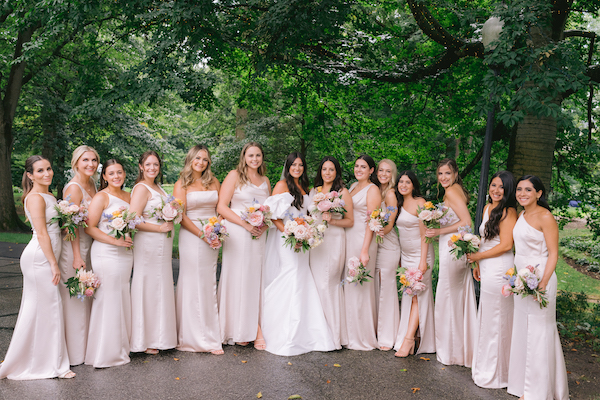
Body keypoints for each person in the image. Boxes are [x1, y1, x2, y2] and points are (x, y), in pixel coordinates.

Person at [0, 156, 74, 380]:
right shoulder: (34, 198)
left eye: (49, 169)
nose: (47, 174)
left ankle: (46, 359)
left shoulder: (50, 195)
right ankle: (53, 365)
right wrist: (53, 263)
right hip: (40, 258)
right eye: (40, 171)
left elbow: (51, 229)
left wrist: (66, 228)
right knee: (49, 305)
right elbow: (41, 233)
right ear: (30, 175)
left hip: (49, 253)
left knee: (45, 308)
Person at [261, 153, 336, 355]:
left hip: (303, 240)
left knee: (302, 278)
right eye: (293, 164)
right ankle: (283, 331)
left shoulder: (306, 187)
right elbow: (271, 215)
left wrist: (307, 231)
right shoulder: (281, 185)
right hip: (286, 239)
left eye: (301, 165)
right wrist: (289, 231)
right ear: (287, 166)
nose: (297, 168)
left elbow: (308, 215)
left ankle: (306, 331)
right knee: (291, 274)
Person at [507, 175, 568, 400]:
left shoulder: (545, 216)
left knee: (540, 332)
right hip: (521, 278)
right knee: (523, 329)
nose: (522, 193)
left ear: (539, 194)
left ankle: (538, 390)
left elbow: (554, 253)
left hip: (540, 277)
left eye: (528, 190)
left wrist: (542, 282)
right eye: (520, 190)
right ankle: (523, 384)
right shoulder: (521, 215)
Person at [217, 142, 271, 349]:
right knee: (239, 278)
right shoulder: (234, 176)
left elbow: (270, 209)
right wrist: (245, 224)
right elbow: (222, 206)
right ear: (244, 157)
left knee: (254, 279)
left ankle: (252, 327)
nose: (254, 159)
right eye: (251, 155)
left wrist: (263, 225)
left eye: (258, 155)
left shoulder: (265, 180)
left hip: (259, 234)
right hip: (238, 232)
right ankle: (242, 329)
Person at [467, 171, 517, 388]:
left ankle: (498, 373)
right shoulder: (488, 208)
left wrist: (478, 256)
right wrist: (477, 263)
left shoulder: (509, 211)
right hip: (486, 265)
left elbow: (506, 245)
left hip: (500, 267)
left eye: (501, 187)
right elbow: (485, 240)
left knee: (498, 319)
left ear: (508, 191)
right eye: (493, 185)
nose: (496, 190)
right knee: (487, 316)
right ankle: (484, 365)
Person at [425, 158, 477, 367]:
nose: (444, 177)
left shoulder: (452, 191)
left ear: (455, 173)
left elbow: (466, 222)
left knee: (448, 296)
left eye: (447, 173)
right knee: (455, 297)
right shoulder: (456, 190)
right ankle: (459, 349)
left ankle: (451, 351)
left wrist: (439, 231)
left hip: (451, 247)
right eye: (440, 174)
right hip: (453, 245)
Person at [173, 145, 223, 355]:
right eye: (198, 159)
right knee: (192, 282)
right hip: (192, 236)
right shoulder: (181, 184)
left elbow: (220, 208)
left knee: (208, 282)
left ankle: (210, 334)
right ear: (190, 159)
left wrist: (216, 229)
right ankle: (192, 337)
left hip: (212, 235)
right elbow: (181, 216)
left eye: (205, 159)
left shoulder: (213, 182)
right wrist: (202, 234)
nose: (201, 163)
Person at [84, 159, 134, 368]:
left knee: (121, 296)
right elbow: (90, 227)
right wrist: (115, 240)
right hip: (106, 252)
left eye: (119, 172)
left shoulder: (129, 196)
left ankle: (121, 347)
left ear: (124, 175)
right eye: (111, 173)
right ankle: (104, 353)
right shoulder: (101, 197)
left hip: (125, 254)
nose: (116, 177)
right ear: (104, 176)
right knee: (108, 298)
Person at [129, 150, 177, 355]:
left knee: (160, 285)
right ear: (141, 166)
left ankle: (160, 336)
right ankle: (145, 339)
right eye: (148, 165)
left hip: (163, 245)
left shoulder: (157, 187)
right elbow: (133, 219)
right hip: (148, 243)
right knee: (147, 285)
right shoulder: (141, 188)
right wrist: (159, 228)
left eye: (155, 165)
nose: (152, 168)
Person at [57, 145, 99, 366]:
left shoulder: (91, 183)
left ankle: (86, 348)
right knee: (75, 298)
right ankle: (74, 353)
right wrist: (76, 256)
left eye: (93, 160)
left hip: (90, 245)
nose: (90, 164)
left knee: (87, 296)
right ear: (76, 162)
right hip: (75, 248)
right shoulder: (73, 188)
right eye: (85, 160)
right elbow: (68, 226)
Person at [308, 156, 353, 349]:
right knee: (317, 284)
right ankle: (318, 333)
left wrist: (332, 220)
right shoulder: (313, 191)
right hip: (316, 241)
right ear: (320, 171)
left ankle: (334, 336)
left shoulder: (342, 192)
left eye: (331, 169)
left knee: (329, 283)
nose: (327, 173)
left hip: (334, 238)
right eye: (324, 169)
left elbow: (350, 221)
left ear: (336, 172)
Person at [394, 170, 436, 357]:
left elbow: (424, 235)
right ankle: (413, 336)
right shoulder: (400, 204)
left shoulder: (420, 204)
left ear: (413, 185)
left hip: (421, 255)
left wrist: (423, 262)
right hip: (407, 256)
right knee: (410, 296)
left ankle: (409, 339)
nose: (403, 185)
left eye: (407, 182)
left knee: (417, 295)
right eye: (401, 182)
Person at [343, 155, 382, 350]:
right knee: (350, 285)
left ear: (371, 170)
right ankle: (350, 332)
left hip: (363, 240)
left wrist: (365, 249)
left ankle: (363, 336)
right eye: (357, 166)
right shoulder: (352, 187)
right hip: (349, 237)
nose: (359, 169)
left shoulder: (373, 190)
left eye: (363, 167)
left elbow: (372, 221)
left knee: (361, 285)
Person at [374, 159, 400, 351]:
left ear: (393, 174)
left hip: (388, 244)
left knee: (386, 290)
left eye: (388, 171)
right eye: (381, 170)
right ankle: (376, 330)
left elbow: (390, 222)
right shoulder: (376, 190)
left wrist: (381, 229)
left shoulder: (390, 194)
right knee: (377, 287)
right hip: (377, 244)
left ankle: (387, 336)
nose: (384, 174)